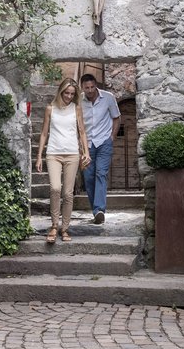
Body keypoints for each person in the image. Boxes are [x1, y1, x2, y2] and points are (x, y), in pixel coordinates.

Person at [36, 77, 90, 243]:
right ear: (60, 91)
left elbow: (82, 132)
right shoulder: (50, 108)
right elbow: (44, 133)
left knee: (67, 193)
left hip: (72, 154)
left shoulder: (77, 108)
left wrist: (86, 152)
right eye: (66, 93)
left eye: (72, 94)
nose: (68, 96)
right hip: (53, 153)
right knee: (54, 188)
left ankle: (64, 229)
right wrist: (39, 156)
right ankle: (53, 226)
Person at [80, 73, 121, 225]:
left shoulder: (108, 97)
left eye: (92, 87)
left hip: (104, 142)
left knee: (101, 173)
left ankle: (99, 210)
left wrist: (112, 137)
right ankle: (96, 211)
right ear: (82, 88)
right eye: (86, 88)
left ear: (95, 85)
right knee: (88, 177)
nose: (90, 91)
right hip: (87, 144)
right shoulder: (79, 101)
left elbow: (117, 117)